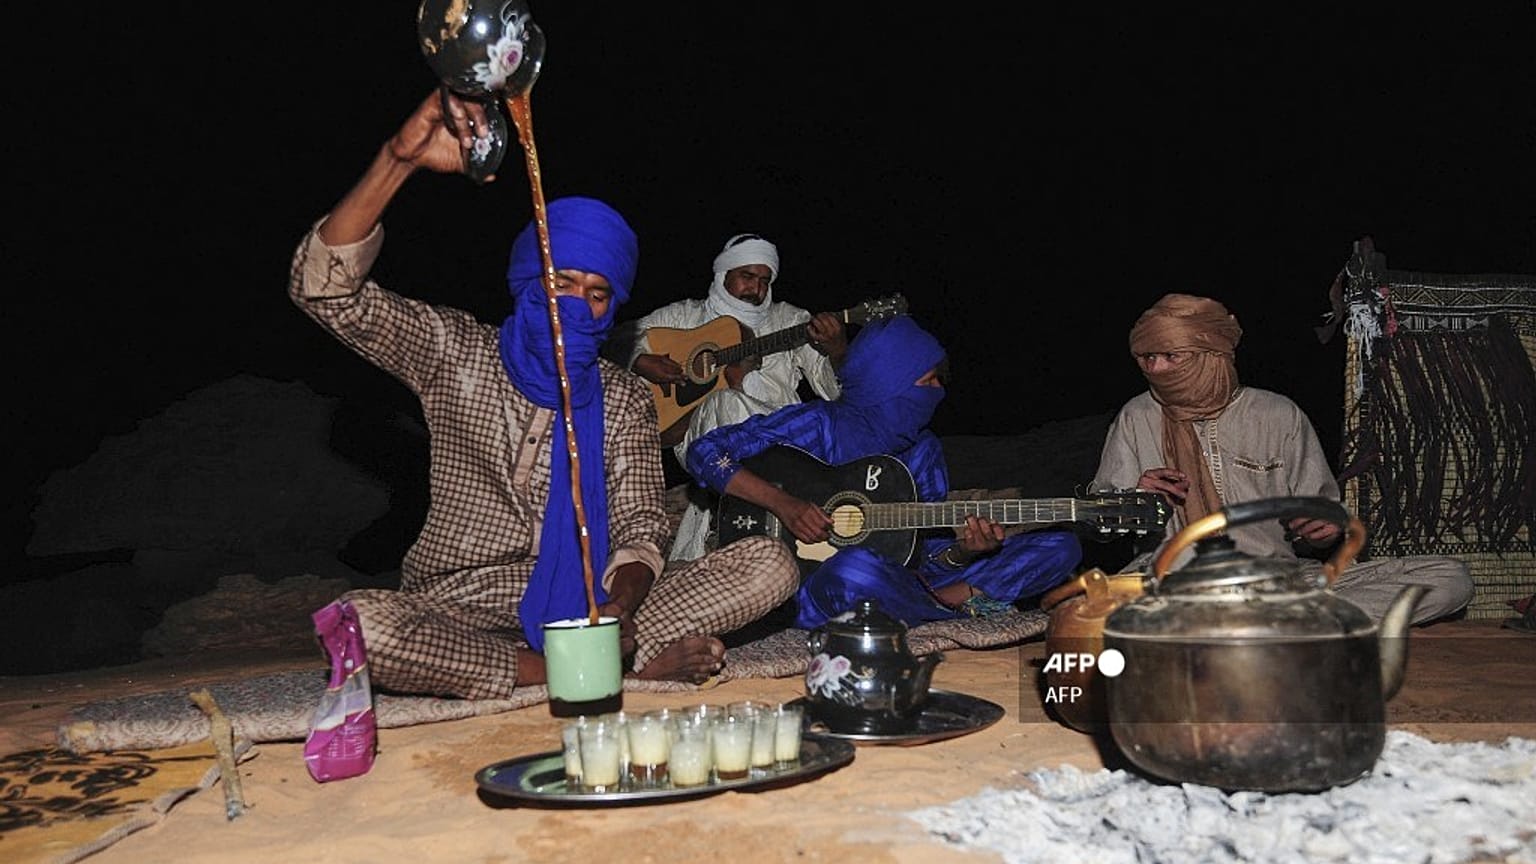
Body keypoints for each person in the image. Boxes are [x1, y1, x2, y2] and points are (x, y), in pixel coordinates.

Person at [288, 90, 800, 698]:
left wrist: (620, 607)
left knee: (770, 565)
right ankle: (588, 676)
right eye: (562, 281)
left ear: (613, 308)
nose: (574, 305)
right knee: (361, 626)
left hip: (594, 601)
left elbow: (639, 519)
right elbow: (323, 289)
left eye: (596, 293)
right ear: (530, 280)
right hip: (467, 604)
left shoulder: (622, 396)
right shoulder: (457, 352)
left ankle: (584, 662)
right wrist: (398, 159)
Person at [1089, 293, 1474, 625]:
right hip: (1172, 577)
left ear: (1212, 355)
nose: (1156, 370)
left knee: (1449, 579)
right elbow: (1098, 524)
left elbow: (1322, 520)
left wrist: (1323, 527)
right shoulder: (1137, 417)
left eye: (1170, 356)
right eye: (1147, 358)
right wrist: (1133, 498)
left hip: (1277, 578)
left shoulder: (1277, 415)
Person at [684, 315, 1083, 629]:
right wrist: (784, 504)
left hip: (902, 579)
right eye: (926, 383)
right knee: (852, 571)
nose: (936, 394)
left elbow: (923, 559)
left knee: (1061, 547)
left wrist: (963, 552)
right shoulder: (819, 423)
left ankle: (939, 604)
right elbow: (705, 453)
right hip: (813, 582)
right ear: (885, 381)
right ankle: (944, 610)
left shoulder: (923, 449)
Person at [627, 233, 849, 561]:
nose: (756, 290)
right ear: (723, 274)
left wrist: (837, 350)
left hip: (784, 443)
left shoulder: (790, 319)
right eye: (747, 277)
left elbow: (833, 391)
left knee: (728, 402)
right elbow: (614, 341)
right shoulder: (684, 317)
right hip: (702, 447)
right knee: (722, 402)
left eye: (764, 280)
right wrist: (641, 360)